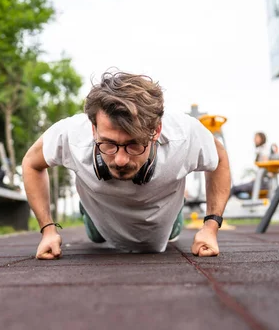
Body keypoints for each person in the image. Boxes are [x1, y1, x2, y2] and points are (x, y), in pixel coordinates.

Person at [22, 71, 231, 259]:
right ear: (93, 130)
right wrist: (48, 230)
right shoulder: (71, 134)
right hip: (100, 214)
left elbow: (219, 158)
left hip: (162, 221)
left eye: (134, 145)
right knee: (95, 236)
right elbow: (32, 163)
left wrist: (210, 228)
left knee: (170, 235)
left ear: (156, 131)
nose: (121, 160)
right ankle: (87, 209)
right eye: (109, 144)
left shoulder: (184, 134)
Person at [231, 132, 277, 199]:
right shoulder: (260, 150)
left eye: (256, 138)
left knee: (234, 189)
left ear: (262, 138)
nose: (254, 140)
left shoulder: (264, 150)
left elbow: (265, 165)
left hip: (263, 183)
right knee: (236, 190)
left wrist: (261, 177)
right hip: (260, 181)